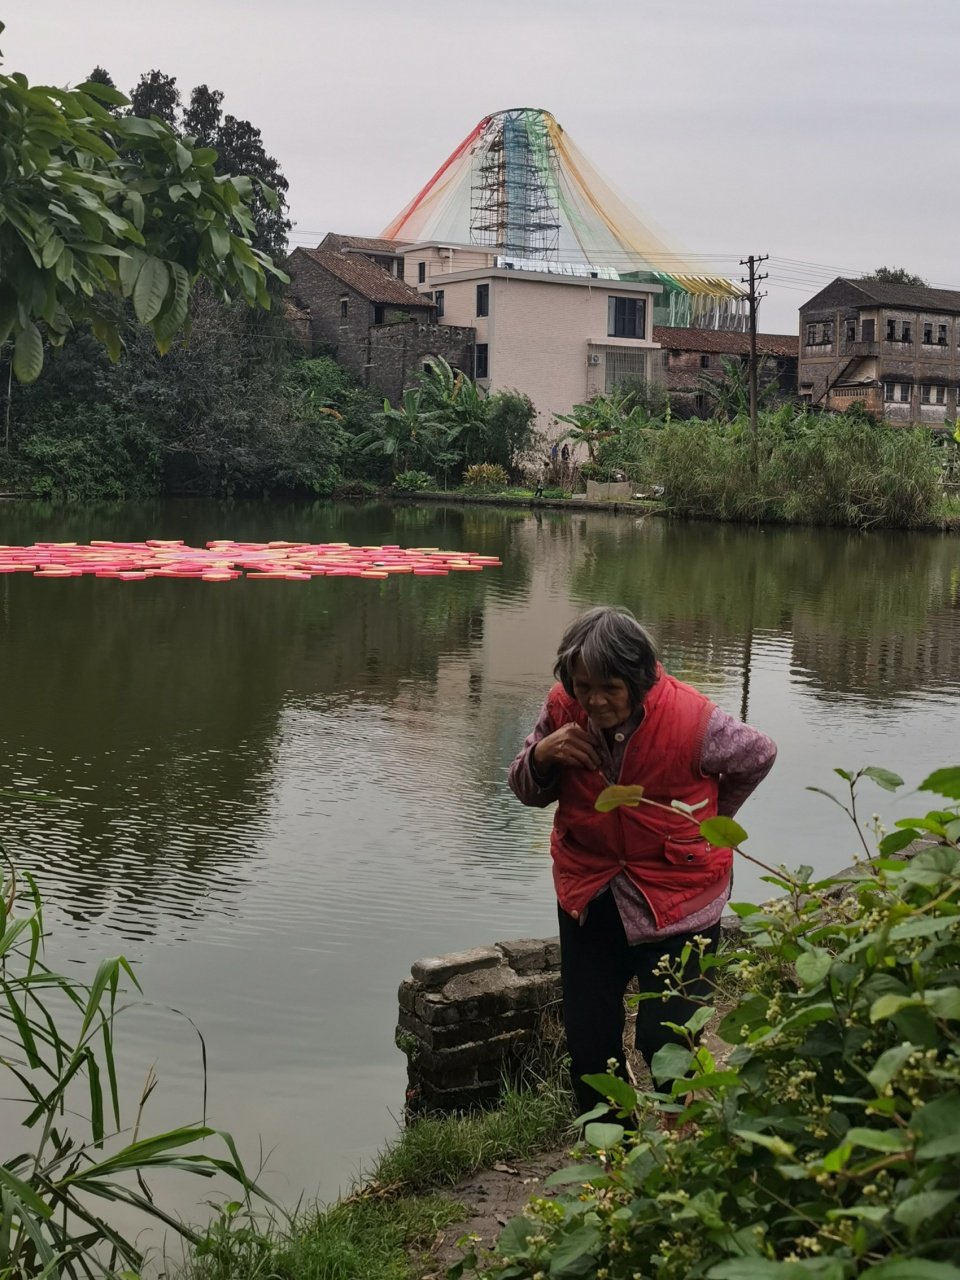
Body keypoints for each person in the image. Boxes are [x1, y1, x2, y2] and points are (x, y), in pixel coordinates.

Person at [507, 606, 776, 1119]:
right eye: (583, 687)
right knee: (589, 1044)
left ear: (640, 679)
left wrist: (711, 821)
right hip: (590, 892)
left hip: (679, 899)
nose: (594, 701)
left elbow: (758, 754)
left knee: (666, 1041)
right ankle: (611, 1152)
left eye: (609, 688)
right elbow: (524, 789)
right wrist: (543, 756)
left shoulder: (693, 719)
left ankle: (681, 1143)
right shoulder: (562, 709)